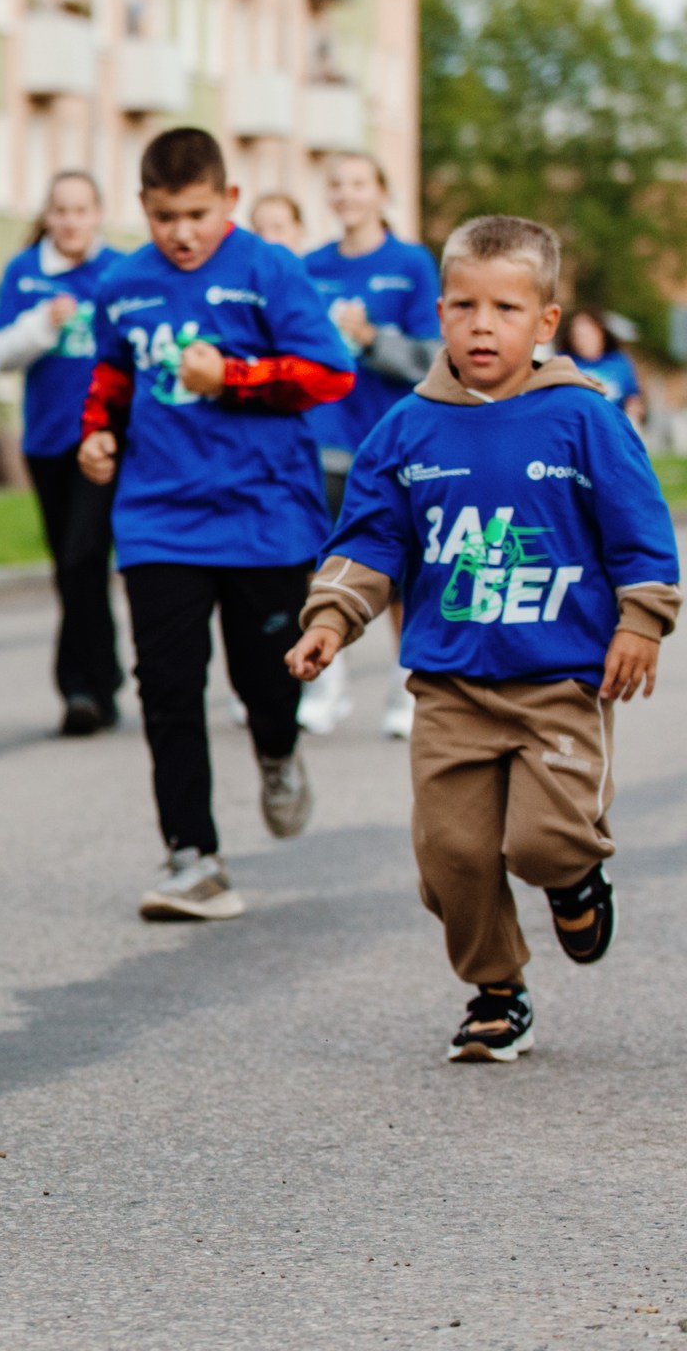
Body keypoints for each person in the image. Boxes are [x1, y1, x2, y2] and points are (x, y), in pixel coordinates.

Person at [288, 216, 678, 1061]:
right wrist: (330, 619)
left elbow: (641, 532)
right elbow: (368, 540)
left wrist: (641, 623)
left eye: (505, 308)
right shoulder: (405, 430)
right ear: (439, 312)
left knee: (544, 840)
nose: (481, 325)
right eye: (463, 305)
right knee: (453, 855)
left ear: (544, 321)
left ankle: (576, 883)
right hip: (451, 684)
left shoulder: (585, 420)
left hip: (561, 680)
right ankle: (498, 993)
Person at [79, 127, 353, 922]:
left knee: (265, 679)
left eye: (197, 214)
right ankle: (192, 858)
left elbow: (329, 374)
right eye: (166, 217)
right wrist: (98, 434)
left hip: (264, 515)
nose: (182, 233)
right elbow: (112, 375)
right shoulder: (124, 285)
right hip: (159, 516)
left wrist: (232, 376)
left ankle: (278, 748)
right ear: (143, 209)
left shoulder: (271, 270)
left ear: (228, 201)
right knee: (166, 685)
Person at [302, 152, 442, 740]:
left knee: (405, 567)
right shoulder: (311, 266)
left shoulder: (410, 263)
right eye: (338, 184)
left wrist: (369, 338)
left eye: (360, 183)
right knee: (327, 559)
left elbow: (429, 359)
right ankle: (325, 682)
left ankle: (406, 684)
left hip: (394, 440)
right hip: (326, 437)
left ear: (382, 192)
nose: (348, 193)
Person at [0, 170, 124, 735]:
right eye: (60, 210)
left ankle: (77, 687)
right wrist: (43, 324)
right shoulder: (25, 273)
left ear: (97, 214)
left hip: (102, 439)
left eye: (80, 210)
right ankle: (106, 676)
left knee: (82, 557)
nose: (70, 221)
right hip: (46, 440)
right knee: (71, 568)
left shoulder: (119, 270)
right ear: (47, 216)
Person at [561, 309, 647, 424]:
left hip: (613, 428)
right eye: (578, 336)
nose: (583, 341)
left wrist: (634, 410)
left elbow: (634, 399)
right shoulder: (564, 363)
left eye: (588, 334)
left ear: (601, 333)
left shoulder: (619, 363)